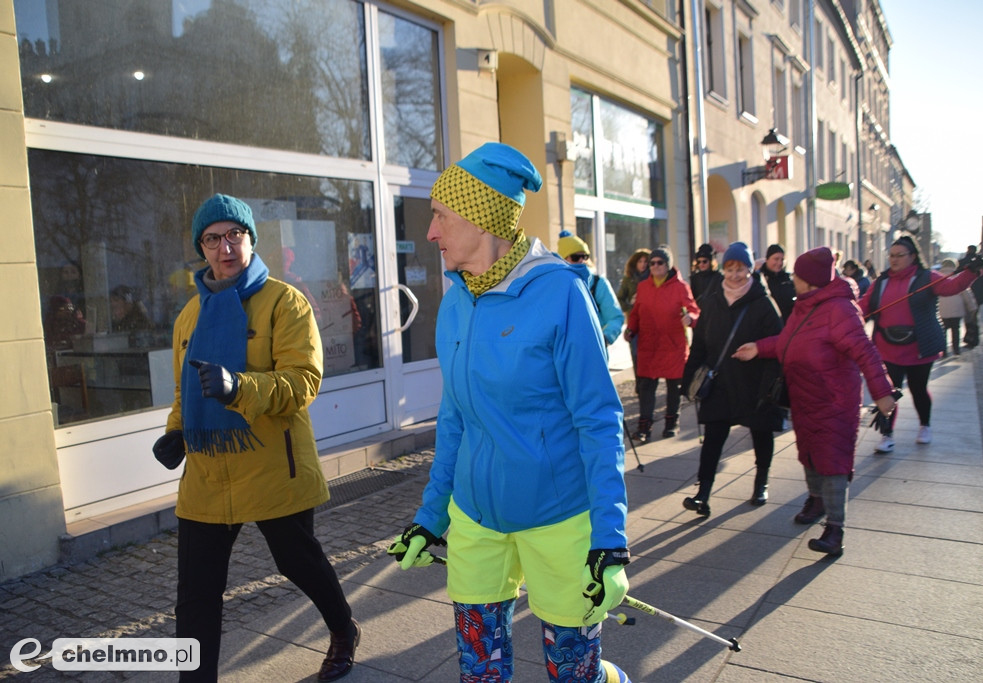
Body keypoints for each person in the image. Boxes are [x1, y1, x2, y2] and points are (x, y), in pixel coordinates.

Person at [386, 143, 631, 683]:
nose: (431, 232)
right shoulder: (456, 299)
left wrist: (610, 538)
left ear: (481, 218)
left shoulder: (562, 294)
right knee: (479, 672)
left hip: (558, 515)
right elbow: (454, 420)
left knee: (573, 673)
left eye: (441, 216)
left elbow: (598, 420)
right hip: (476, 517)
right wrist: (431, 518)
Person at [152, 193, 359, 682]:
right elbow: (187, 390)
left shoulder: (284, 302)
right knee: (196, 593)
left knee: (298, 562)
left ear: (250, 239)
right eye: (213, 238)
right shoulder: (189, 317)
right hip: (207, 471)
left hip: (272, 464)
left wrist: (237, 387)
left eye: (234, 235)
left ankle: (343, 629)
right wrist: (176, 432)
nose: (225, 247)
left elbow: (302, 381)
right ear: (200, 248)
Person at [734, 247, 896, 557]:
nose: (792, 277)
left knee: (833, 462)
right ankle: (816, 499)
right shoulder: (804, 306)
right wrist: (759, 347)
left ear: (809, 281)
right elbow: (788, 341)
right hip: (804, 397)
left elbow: (866, 352)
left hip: (834, 401)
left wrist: (883, 392)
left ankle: (835, 529)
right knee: (808, 453)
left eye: (797, 274)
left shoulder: (839, 309)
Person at [680, 242, 783, 516]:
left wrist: (768, 386)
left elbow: (777, 344)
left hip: (754, 381)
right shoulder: (713, 301)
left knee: (761, 431)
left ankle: (761, 481)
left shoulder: (763, 303)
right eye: (730, 268)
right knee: (713, 437)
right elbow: (700, 343)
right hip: (720, 381)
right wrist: (688, 377)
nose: (735, 275)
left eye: (740, 269)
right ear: (723, 269)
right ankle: (703, 493)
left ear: (750, 270)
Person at [860, 234, 981, 453]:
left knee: (918, 389)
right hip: (887, 347)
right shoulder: (881, 282)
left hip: (919, 347)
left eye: (899, 255)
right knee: (889, 391)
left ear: (913, 256)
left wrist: (971, 271)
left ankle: (925, 425)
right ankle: (887, 434)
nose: (894, 259)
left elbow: (952, 287)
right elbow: (863, 307)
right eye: (891, 255)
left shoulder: (927, 277)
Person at [624, 245, 700, 443]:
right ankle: (644, 427)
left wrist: (691, 318)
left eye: (660, 263)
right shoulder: (643, 287)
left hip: (672, 344)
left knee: (673, 387)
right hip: (649, 344)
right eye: (652, 263)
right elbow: (636, 313)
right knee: (646, 387)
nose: (655, 266)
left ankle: (671, 423)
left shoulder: (680, 286)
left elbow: (694, 310)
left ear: (668, 265)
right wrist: (631, 329)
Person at [557, 229, 624, 346]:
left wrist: (604, 338)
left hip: (593, 354)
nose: (582, 260)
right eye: (575, 257)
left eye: (585, 256)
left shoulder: (599, 284)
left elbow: (616, 317)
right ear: (563, 258)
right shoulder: (555, 286)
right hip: (565, 355)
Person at [617, 248, 650, 379]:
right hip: (634, 322)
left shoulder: (653, 278)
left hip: (650, 321)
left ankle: (647, 383)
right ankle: (639, 382)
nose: (643, 264)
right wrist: (630, 306)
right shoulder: (628, 279)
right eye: (640, 261)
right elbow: (619, 299)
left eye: (645, 261)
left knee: (648, 355)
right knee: (636, 353)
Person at [937, 258, 977, 356]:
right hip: (957, 308)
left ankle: (944, 351)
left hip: (943, 308)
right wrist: (972, 307)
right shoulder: (958, 276)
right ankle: (956, 350)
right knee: (955, 329)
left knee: (944, 329)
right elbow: (966, 293)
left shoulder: (938, 278)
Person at [956, 245, 983, 348]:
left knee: (966, 317)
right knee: (974, 317)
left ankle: (969, 338)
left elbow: (956, 278)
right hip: (978, 295)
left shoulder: (962, 262)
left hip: (964, 294)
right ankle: (974, 339)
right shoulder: (982, 264)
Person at [758, 244, 796, 322]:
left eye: (782, 260)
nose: (779, 263)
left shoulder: (788, 279)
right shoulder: (759, 279)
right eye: (776, 259)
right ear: (767, 259)